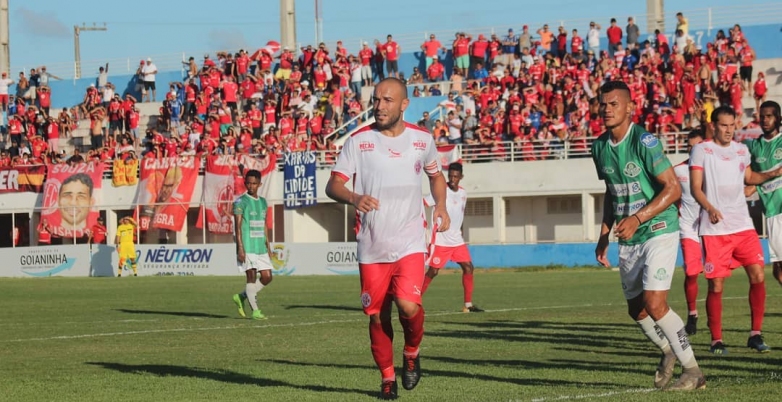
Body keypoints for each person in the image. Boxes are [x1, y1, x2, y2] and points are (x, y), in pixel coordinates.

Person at [325, 78, 450, 399]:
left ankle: (411, 353)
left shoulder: (423, 140)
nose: (379, 106)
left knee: (408, 305)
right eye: (376, 100)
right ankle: (387, 377)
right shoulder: (358, 141)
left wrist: (441, 206)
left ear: (404, 105)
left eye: (387, 100)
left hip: (410, 242)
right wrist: (354, 198)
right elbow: (333, 185)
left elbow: (437, 176)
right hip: (372, 247)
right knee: (378, 318)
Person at [592, 81, 704, 390]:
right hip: (628, 238)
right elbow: (610, 192)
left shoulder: (645, 141)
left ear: (630, 107)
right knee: (636, 309)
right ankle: (668, 350)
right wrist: (604, 234)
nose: (606, 109)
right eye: (603, 104)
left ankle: (693, 371)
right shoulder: (599, 146)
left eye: (614, 104)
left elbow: (673, 187)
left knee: (655, 304)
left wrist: (638, 216)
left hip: (658, 228)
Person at [690, 105, 781, 355]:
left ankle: (755, 334)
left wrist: (774, 172)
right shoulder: (702, 150)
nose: (729, 130)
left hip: (743, 226)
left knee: (759, 276)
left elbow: (750, 178)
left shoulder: (742, 150)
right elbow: (696, 187)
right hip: (715, 229)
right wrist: (709, 207)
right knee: (716, 286)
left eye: (732, 125)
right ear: (713, 125)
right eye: (723, 125)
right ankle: (716, 340)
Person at [421, 162, 484, 313]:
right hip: (441, 240)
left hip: (456, 240)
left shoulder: (463, 193)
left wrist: (459, 230)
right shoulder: (441, 191)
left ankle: (468, 305)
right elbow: (423, 203)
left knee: (468, 267)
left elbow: (459, 215)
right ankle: (415, 299)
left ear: (461, 177)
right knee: (433, 272)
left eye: (456, 176)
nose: (452, 179)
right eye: (450, 176)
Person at [747, 101, 782, 287]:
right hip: (771, 212)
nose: (765, 120)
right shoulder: (755, 146)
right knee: (778, 271)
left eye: (769, 116)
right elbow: (751, 179)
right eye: (762, 116)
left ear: (778, 118)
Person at [674, 130, 705, 335]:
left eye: (698, 146)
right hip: (688, 228)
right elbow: (669, 193)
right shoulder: (677, 170)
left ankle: (714, 322)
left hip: (711, 228)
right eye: (690, 146)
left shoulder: (713, 168)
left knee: (716, 277)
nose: (694, 150)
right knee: (692, 273)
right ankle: (692, 314)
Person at [232, 169, 274, 320]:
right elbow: (237, 227)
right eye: (248, 183)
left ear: (259, 184)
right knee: (251, 277)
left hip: (260, 246)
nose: (251, 186)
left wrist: (268, 246)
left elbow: (264, 225)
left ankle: (241, 296)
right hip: (248, 245)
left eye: (254, 184)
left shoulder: (263, 202)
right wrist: (240, 248)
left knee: (268, 277)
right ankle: (256, 311)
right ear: (245, 183)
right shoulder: (240, 202)